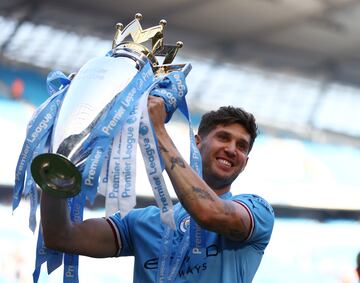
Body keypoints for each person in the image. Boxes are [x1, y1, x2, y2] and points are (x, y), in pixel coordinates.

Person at [40, 96, 275, 282]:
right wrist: (58, 163)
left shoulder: (257, 211)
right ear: (197, 143)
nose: (232, 149)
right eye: (223, 137)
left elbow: (208, 212)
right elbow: (61, 236)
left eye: (242, 146)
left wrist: (157, 130)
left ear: (245, 162)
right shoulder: (144, 222)